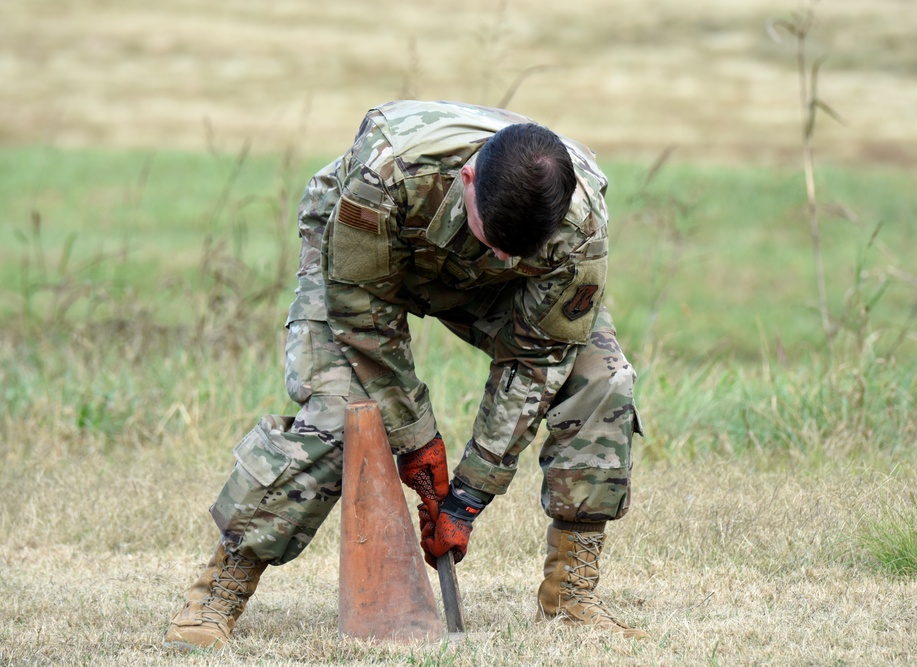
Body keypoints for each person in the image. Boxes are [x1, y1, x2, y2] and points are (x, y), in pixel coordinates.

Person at [163, 99, 648, 651]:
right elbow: (363, 316)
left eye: (521, 254)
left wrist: (469, 494)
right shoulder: (385, 173)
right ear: (468, 179)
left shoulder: (580, 223)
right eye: (493, 241)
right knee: (340, 410)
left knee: (602, 379)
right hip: (365, 257)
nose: (507, 260)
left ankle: (572, 596)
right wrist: (418, 442)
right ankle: (221, 587)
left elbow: (538, 360)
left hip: (483, 285)